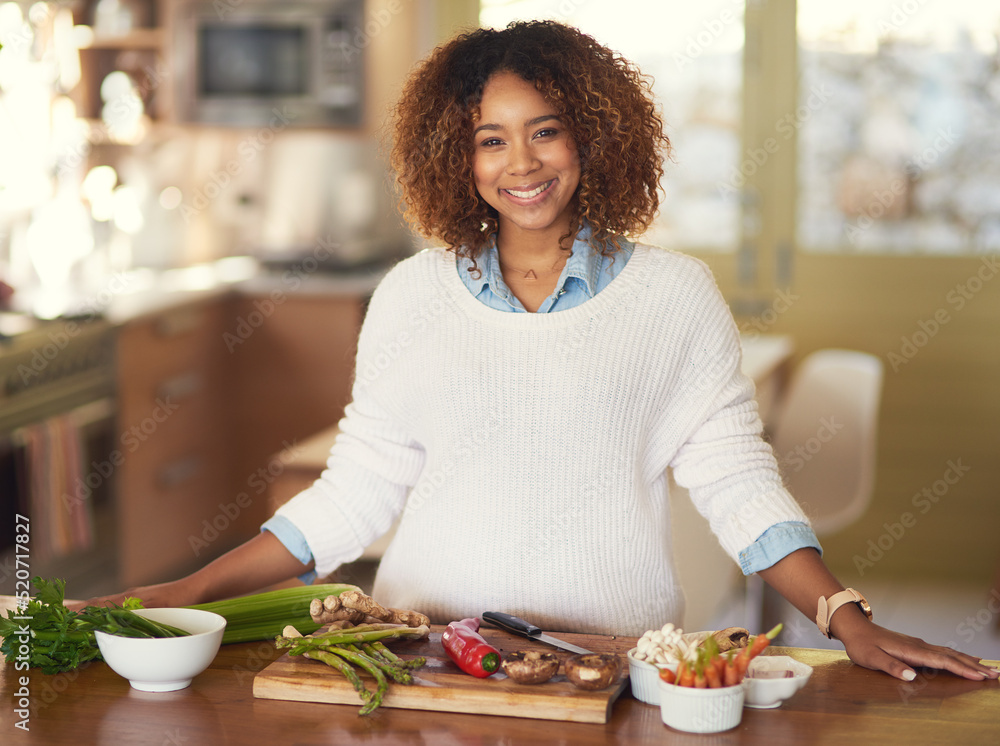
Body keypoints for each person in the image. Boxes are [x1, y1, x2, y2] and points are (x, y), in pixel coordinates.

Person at [91, 20, 996, 683]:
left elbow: (735, 480)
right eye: (490, 139)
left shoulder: (674, 298)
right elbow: (355, 492)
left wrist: (843, 614)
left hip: (608, 668)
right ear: (458, 156)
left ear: (591, 136)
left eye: (544, 130)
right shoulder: (411, 296)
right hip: (427, 656)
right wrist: (195, 585)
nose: (519, 164)